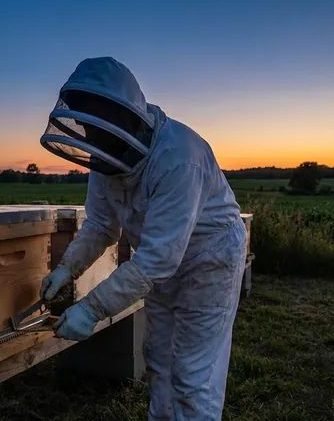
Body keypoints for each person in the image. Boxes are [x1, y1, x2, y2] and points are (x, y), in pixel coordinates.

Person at [38, 57, 248, 421]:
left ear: (125, 116)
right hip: (159, 263)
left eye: (98, 127)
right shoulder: (107, 158)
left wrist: (92, 308)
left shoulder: (180, 157)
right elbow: (101, 225)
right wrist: (67, 268)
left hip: (209, 259)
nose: (93, 138)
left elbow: (157, 260)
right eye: (88, 127)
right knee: (159, 358)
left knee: (192, 374)